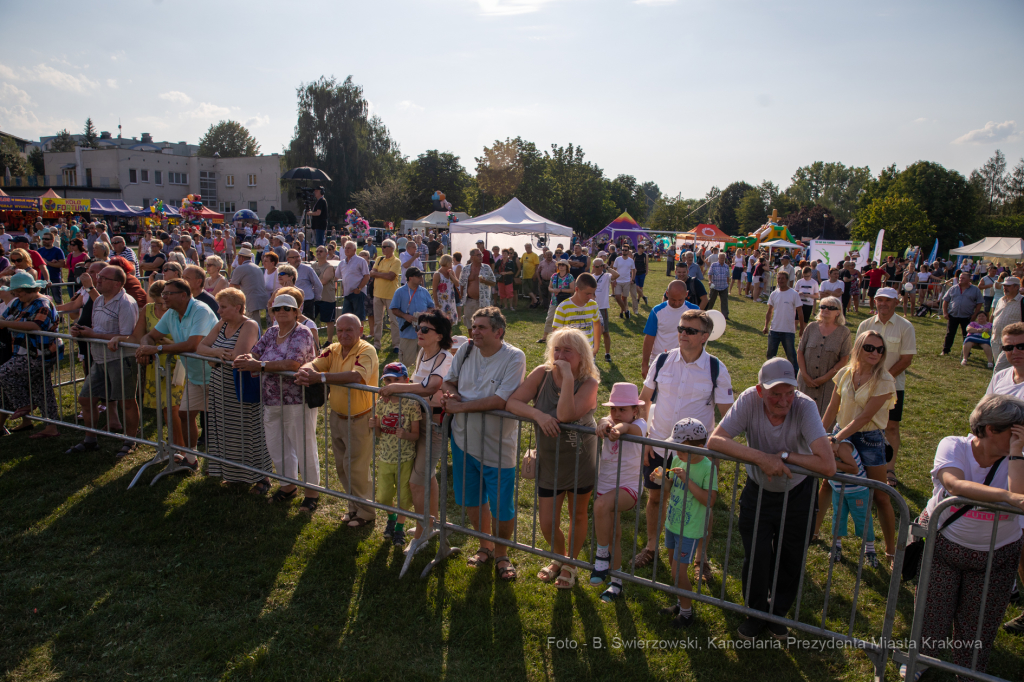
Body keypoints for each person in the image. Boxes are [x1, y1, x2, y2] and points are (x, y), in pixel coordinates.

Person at [707, 358, 835, 640]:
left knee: (791, 555)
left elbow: (828, 465)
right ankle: (755, 613)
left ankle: (777, 614)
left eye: (789, 392)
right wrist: (762, 459)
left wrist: (785, 457)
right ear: (760, 390)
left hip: (799, 492)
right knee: (757, 553)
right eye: (775, 393)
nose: (783, 400)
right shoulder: (748, 401)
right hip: (758, 488)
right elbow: (715, 441)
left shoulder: (805, 406)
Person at [906, 395, 1024, 681]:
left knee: (979, 622)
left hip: (997, 556)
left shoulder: (1018, 457)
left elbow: (1021, 496)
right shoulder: (953, 445)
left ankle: (969, 673)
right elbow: (954, 484)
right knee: (932, 613)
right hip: (945, 548)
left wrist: (1017, 453)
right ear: (990, 429)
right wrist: (1007, 497)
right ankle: (919, 661)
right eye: (1016, 431)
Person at [634, 309, 733, 571]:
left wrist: (712, 451)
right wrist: (644, 437)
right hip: (658, 445)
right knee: (655, 498)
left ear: (705, 336)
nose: (682, 334)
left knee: (701, 507)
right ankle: (652, 546)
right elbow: (644, 398)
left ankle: (701, 557)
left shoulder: (716, 369)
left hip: (696, 455)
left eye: (690, 330)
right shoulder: (663, 360)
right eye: (680, 329)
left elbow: (727, 417)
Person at [508, 327, 598, 588]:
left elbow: (567, 414)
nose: (560, 354)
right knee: (547, 521)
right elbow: (512, 403)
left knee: (577, 515)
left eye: (568, 350)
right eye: (557, 349)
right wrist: (538, 415)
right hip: (549, 460)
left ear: (581, 355)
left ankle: (571, 564)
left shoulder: (589, 383)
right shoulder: (542, 374)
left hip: (580, 459)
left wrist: (568, 377)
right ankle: (559, 557)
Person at [441, 307, 527, 580]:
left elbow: (501, 400)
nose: (474, 331)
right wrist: (451, 395)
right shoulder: (465, 350)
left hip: (497, 444)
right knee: (472, 499)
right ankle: (484, 546)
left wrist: (459, 407)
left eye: (481, 327)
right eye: (473, 326)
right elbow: (449, 382)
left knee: (502, 505)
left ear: (498, 332)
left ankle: (502, 553)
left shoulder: (514, 357)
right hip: (463, 439)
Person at [235, 293, 320, 511]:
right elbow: (255, 352)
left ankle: (312, 492)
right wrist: (247, 359)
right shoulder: (272, 331)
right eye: (277, 308)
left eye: (286, 308)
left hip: (297, 399)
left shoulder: (302, 333)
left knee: (304, 447)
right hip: (271, 399)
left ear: (296, 312)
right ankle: (288, 485)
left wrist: (260, 366)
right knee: (277, 445)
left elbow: (293, 363)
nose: (281, 311)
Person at [295, 314, 379, 527]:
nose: (343, 334)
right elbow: (314, 364)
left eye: (349, 330)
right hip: (337, 416)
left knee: (356, 468)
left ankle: (367, 513)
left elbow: (356, 376)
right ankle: (354, 507)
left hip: (360, 418)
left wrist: (321, 377)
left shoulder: (366, 350)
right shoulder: (333, 349)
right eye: (339, 330)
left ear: (360, 331)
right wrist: (306, 371)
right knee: (343, 467)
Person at [822, 330, 897, 568]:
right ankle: (814, 533)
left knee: (881, 495)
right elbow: (833, 407)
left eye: (880, 349)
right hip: (839, 433)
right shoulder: (844, 373)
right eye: (869, 347)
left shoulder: (885, 379)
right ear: (859, 348)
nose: (875, 353)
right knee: (827, 483)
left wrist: (835, 439)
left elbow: (865, 417)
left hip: (869, 440)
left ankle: (891, 550)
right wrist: (821, 437)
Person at [380, 310, 454, 545]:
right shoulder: (423, 352)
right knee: (427, 477)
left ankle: (423, 533)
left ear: (439, 335)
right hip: (417, 420)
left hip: (434, 424)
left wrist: (396, 389)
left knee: (416, 481)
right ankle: (429, 523)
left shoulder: (445, 357)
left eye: (425, 329)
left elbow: (430, 387)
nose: (419, 332)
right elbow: (416, 383)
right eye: (418, 327)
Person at [135, 278, 218, 472]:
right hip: (194, 375)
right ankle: (191, 459)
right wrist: (144, 346)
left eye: (168, 293)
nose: (164, 297)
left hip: (216, 373)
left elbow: (193, 345)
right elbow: (150, 335)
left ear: (184, 295)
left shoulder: (201, 310)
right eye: (163, 294)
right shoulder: (172, 313)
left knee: (223, 421)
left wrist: (156, 349)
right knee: (185, 414)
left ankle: (231, 465)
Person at [195, 287, 271, 489]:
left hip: (240, 387)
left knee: (247, 431)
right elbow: (201, 347)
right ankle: (234, 474)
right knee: (225, 430)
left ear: (238, 308)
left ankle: (260, 476)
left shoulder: (250, 325)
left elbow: (238, 356)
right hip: (220, 388)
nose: (219, 311)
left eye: (223, 307)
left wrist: (213, 357)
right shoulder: (222, 324)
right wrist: (217, 353)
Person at [66, 265, 140, 458]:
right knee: (86, 398)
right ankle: (90, 439)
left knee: (127, 402)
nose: (97, 280)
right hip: (99, 359)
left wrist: (94, 334)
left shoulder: (125, 303)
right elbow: (95, 327)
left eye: (103, 278)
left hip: (121, 359)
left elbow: (128, 336)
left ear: (117, 283)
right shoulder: (98, 299)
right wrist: (81, 330)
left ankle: (131, 441)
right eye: (98, 277)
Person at [656, 418, 718, 628]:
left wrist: (686, 480)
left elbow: (710, 500)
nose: (677, 453)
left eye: (681, 449)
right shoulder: (677, 460)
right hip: (673, 523)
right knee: (673, 566)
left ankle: (687, 612)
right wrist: (662, 479)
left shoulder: (708, 467)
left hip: (689, 529)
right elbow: (670, 487)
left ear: (699, 448)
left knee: (678, 572)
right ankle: (680, 601)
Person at [591, 382, 647, 601]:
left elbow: (630, 429)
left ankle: (601, 557)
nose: (617, 413)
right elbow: (603, 420)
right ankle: (616, 583)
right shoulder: (609, 422)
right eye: (613, 409)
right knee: (614, 533)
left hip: (628, 488)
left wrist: (620, 427)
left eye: (623, 409)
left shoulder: (640, 424)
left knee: (601, 506)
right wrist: (604, 423)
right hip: (605, 485)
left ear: (635, 410)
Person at [857, 287, 916, 486]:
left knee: (891, 426)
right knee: (864, 424)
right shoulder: (865, 325)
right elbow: (857, 355)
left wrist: (883, 380)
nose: (883, 303)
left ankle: (889, 469)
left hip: (892, 387)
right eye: (879, 299)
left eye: (888, 300)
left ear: (896, 302)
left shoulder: (905, 326)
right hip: (864, 385)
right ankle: (862, 465)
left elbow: (906, 359)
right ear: (874, 301)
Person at [0, 272, 61, 439]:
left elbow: (36, 325)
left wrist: (5, 324)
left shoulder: (43, 303)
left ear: (30, 289)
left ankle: (25, 404)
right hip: (21, 351)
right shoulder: (18, 303)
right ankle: (52, 427)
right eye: (15, 292)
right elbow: (4, 317)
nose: (16, 295)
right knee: (42, 389)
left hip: (40, 354)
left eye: (19, 292)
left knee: (4, 372)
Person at [368, 361, 422, 547]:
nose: (391, 384)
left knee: (403, 496)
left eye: (396, 380)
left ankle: (399, 527)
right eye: (387, 380)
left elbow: (416, 435)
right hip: (385, 456)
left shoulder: (412, 403)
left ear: (406, 381)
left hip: (405, 458)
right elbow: (379, 434)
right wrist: (375, 427)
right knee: (383, 496)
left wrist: (405, 434)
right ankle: (391, 517)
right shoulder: (381, 403)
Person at [813, 435, 874, 565]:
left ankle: (870, 549)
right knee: (838, 517)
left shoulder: (842, 448)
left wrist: (832, 462)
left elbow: (854, 469)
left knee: (863, 519)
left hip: (857, 491)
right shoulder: (822, 448)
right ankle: (837, 545)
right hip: (838, 489)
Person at [797, 296, 852, 415]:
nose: (826, 309)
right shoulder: (811, 327)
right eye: (823, 307)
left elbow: (844, 360)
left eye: (831, 308)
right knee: (801, 415)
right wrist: (805, 375)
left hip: (829, 384)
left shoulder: (844, 332)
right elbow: (800, 351)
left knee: (824, 418)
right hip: (806, 381)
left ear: (838, 312)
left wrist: (825, 378)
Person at [390, 267, 435, 367]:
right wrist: (405, 316)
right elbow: (394, 309)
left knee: (425, 361)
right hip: (408, 333)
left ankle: (420, 380)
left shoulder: (424, 291)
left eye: (421, 276)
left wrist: (428, 313)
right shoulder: (400, 292)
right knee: (406, 362)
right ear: (410, 278)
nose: (421, 278)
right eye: (418, 276)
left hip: (424, 333)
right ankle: (404, 381)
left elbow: (432, 306)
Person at [552, 272, 602, 356]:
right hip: (569, 354)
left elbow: (597, 323)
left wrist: (596, 347)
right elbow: (556, 333)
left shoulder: (593, 305)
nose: (590, 297)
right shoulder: (563, 307)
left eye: (592, 293)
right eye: (587, 293)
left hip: (588, 352)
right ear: (577, 289)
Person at [763, 271, 803, 374]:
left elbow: (800, 312)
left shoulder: (794, 294)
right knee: (770, 355)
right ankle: (769, 374)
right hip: (774, 329)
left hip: (788, 330)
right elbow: (769, 311)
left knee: (791, 356)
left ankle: (795, 375)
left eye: (782, 278)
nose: (780, 280)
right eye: (778, 278)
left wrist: (802, 328)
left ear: (787, 280)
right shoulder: (774, 293)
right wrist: (766, 325)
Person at [369, 239, 402, 352]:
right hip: (377, 294)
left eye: (384, 246)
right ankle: (377, 344)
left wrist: (377, 274)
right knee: (378, 321)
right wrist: (382, 274)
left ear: (392, 248)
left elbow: (391, 276)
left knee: (394, 321)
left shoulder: (396, 261)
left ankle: (396, 344)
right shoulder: (379, 259)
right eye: (382, 246)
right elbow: (371, 273)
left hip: (391, 295)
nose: (382, 248)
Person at [941, 271, 984, 357]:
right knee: (950, 333)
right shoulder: (953, 288)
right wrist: (945, 312)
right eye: (960, 278)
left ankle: (966, 352)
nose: (961, 279)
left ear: (969, 279)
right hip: (953, 315)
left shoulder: (975, 290)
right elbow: (945, 300)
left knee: (966, 334)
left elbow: (979, 302)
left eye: (963, 278)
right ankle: (945, 350)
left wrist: (975, 314)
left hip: (967, 316)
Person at [229, 248, 270, 326]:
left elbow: (231, 287)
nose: (237, 260)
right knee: (261, 325)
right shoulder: (257, 267)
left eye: (238, 258)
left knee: (253, 325)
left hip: (251, 301)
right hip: (262, 299)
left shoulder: (240, 268)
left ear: (242, 258)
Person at [459, 249, 495, 331]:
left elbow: (493, 282)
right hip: (469, 301)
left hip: (483, 301)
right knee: (470, 324)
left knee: (484, 323)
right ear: (472, 257)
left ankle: (483, 342)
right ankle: (472, 342)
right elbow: (461, 284)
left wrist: (485, 281)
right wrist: (461, 297)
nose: (481, 257)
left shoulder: (486, 268)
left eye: (481, 255)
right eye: (478, 255)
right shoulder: (466, 269)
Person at [992, 276, 1022, 373]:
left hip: (1012, 344)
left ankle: (995, 387)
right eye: (1004, 285)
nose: (1005, 288)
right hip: (996, 340)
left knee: (998, 369)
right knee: (1005, 370)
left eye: (1008, 286)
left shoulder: (1022, 302)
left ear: (1017, 287)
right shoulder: (1001, 300)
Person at [335, 241, 370, 325]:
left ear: (354, 250)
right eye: (345, 248)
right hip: (347, 294)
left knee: (358, 316)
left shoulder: (361, 261)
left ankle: (360, 335)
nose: (346, 250)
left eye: (349, 248)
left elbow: (367, 276)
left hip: (357, 293)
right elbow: (336, 277)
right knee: (346, 316)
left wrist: (359, 289)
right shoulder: (342, 263)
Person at [987, 322, 1024, 400]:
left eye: (1021, 346)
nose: (1014, 352)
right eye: (1009, 348)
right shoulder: (999, 377)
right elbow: (985, 410)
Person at [36, 231, 66, 304]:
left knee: (57, 299)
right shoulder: (39, 251)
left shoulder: (58, 251)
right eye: (43, 239)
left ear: (52, 240)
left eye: (46, 239)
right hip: (42, 279)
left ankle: (61, 315)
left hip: (54, 277)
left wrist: (47, 263)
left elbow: (62, 264)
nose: (44, 240)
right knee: (42, 299)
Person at [431, 254, 459, 326]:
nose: (452, 264)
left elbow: (457, 284)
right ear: (447, 262)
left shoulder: (451, 272)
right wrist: (436, 304)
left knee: (450, 322)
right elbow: (434, 290)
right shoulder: (437, 274)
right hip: (441, 302)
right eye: (451, 262)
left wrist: (451, 275)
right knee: (442, 322)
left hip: (451, 301)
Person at [706, 252, 731, 319]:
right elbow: (710, 273)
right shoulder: (714, 265)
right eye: (721, 258)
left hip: (724, 286)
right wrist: (710, 281)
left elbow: (728, 276)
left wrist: (727, 284)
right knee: (711, 300)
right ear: (718, 258)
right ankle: (707, 312)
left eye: (723, 258)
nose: (722, 259)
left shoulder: (726, 266)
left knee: (724, 302)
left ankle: (725, 315)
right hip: (715, 286)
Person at [613, 247, 635, 319]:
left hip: (626, 281)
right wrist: (614, 280)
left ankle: (621, 312)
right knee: (617, 297)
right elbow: (614, 270)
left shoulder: (631, 260)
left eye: (625, 250)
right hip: (618, 281)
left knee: (624, 298)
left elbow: (633, 270)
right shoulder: (618, 259)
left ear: (628, 251)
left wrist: (632, 279)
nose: (624, 251)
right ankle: (626, 311)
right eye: (623, 250)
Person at [520, 243, 541, 308]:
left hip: (532, 275)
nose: (527, 248)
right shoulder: (524, 254)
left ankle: (533, 304)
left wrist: (535, 274)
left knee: (532, 290)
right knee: (526, 289)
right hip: (525, 275)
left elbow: (537, 265)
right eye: (526, 247)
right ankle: (535, 300)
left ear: (531, 247)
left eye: (528, 247)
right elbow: (520, 263)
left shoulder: (534, 255)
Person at [633, 243, 649, 308]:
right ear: (639, 248)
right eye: (642, 248)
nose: (643, 249)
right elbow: (632, 263)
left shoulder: (645, 255)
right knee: (636, 287)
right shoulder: (635, 255)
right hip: (636, 273)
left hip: (642, 273)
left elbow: (647, 264)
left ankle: (638, 299)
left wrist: (646, 271)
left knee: (640, 287)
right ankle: (644, 297)